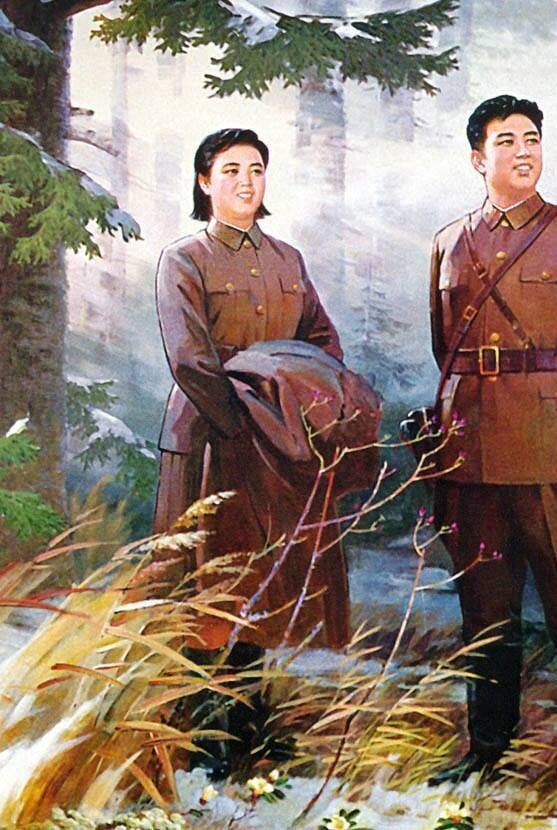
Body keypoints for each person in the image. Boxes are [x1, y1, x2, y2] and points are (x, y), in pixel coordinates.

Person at [426, 95, 557, 818]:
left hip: (556, 453)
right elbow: (445, 347)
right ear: (477, 158)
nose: (523, 150)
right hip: (472, 454)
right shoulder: (449, 241)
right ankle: (488, 752)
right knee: (486, 606)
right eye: (506, 140)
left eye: (533, 138)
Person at [152, 128, 367, 775]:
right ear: (204, 181)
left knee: (262, 584)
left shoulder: (288, 260)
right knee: (209, 583)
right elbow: (189, 359)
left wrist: (306, 406)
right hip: (211, 439)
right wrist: (244, 422)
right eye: (231, 170)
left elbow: (322, 344)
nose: (246, 182)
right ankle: (206, 734)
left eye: (256, 169)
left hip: (280, 445)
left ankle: (247, 726)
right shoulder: (183, 260)